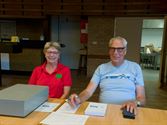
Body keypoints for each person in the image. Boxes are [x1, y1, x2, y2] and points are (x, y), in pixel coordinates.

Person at [68, 36, 146, 114]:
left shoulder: (135, 67)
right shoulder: (101, 68)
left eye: (120, 49)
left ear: (125, 51)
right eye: (113, 49)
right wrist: (79, 98)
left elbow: (141, 98)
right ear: (109, 51)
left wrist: (135, 103)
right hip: (104, 110)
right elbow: (88, 91)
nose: (115, 52)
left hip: (127, 111)